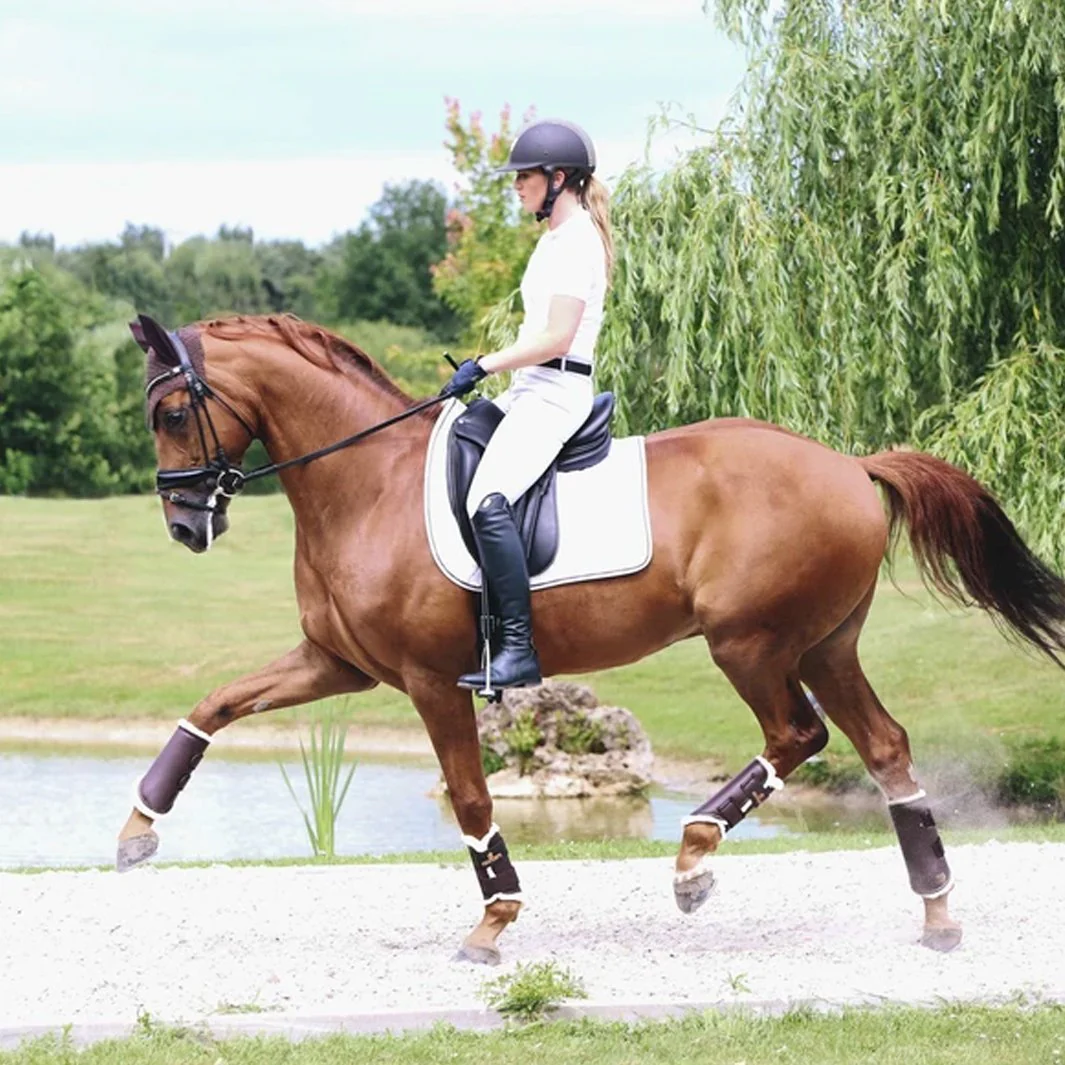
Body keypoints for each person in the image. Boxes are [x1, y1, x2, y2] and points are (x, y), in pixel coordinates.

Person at [440, 118, 615, 691]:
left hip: (557, 394)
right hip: (530, 391)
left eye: (525, 176)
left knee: (487, 500)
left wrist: (484, 364)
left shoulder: (579, 242)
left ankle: (517, 649)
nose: (517, 186)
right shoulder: (554, 241)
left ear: (558, 179)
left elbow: (558, 337)